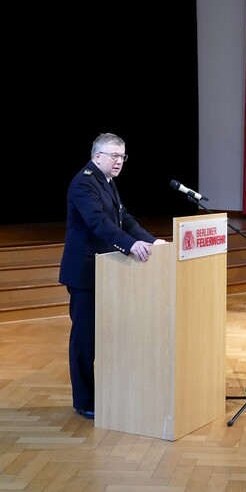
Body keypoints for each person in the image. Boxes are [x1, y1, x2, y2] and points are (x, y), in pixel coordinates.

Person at [59, 133, 166, 420]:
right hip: (85, 273)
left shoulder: (106, 181)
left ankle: (106, 392)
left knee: (105, 336)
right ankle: (84, 401)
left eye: (122, 156)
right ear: (97, 156)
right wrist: (131, 245)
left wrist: (151, 241)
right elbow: (98, 224)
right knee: (84, 339)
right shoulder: (84, 182)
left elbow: (124, 218)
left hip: (105, 271)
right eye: (113, 156)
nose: (119, 161)